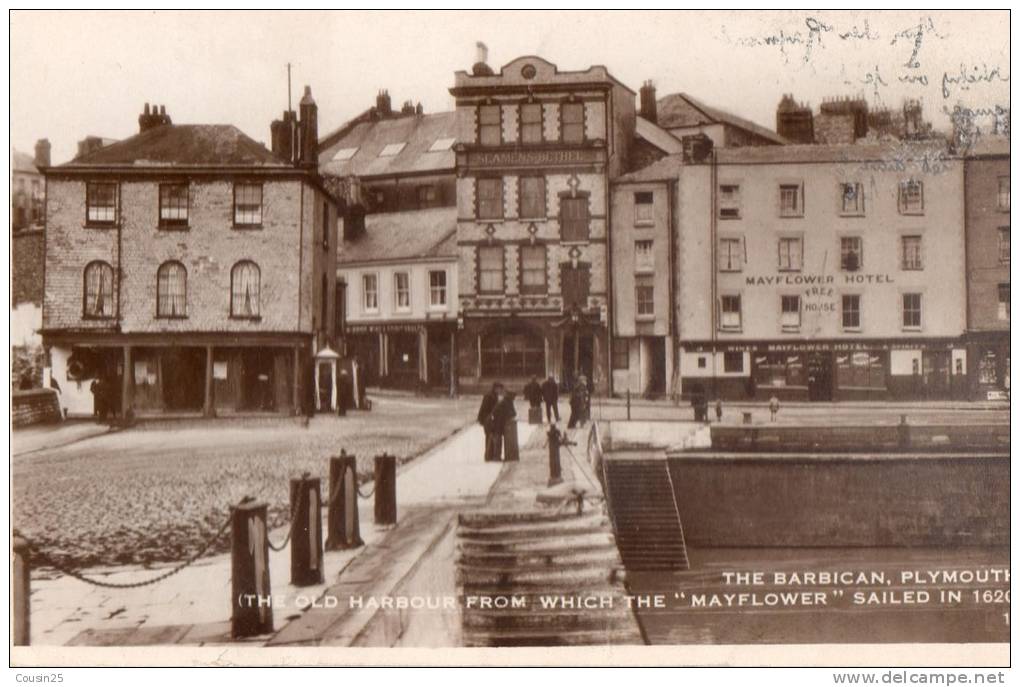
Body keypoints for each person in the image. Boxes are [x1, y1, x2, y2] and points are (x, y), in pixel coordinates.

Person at [477, 382, 504, 462]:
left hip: (489, 419)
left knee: (490, 437)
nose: (501, 391)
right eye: (500, 389)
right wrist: (487, 419)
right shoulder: (489, 396)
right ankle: (488, 456)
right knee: (489, 437)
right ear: (496, 388)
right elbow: (485, 409)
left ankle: (490, 456)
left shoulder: (493, 396)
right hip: (488, 420)